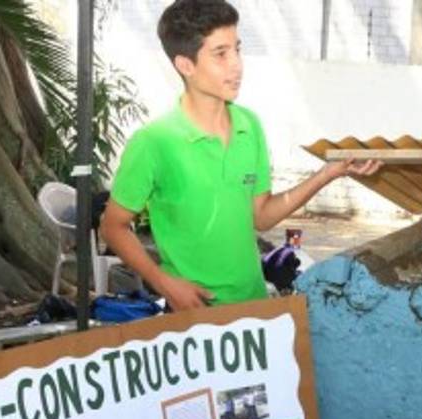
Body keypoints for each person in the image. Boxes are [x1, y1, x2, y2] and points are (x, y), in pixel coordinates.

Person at [100, 0, 379, 311]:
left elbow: (261, 217)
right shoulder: (154, 142)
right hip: (192, 314)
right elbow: (113, 226)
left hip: (253, 310)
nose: (237, 65)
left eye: (237, 49)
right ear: (185, 65)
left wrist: (329, 173)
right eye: (221, 54)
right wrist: (163, 282)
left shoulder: (249, 125)